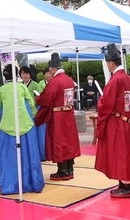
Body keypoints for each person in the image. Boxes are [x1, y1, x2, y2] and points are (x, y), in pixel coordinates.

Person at [94, 43, 130, 198]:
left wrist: (100, 103)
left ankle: (126, 186)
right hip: (128, 120)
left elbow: (106, 103)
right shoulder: (125, 78)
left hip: (118, 122)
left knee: (121, 153)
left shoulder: (115, 79)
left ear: (110, 63)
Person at [0, 64, 45, 194]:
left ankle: (9, 184)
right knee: (29, 154)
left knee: (9, 156)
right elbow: (32, 103)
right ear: (17, 74)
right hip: (25, 125)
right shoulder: (22, 87)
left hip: (7, 126)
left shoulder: (1, 89)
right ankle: (31, 181)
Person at [35, 52, 81, 180]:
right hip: (69, 114)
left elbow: (47, 97)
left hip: (58, 115)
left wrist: (37, 98)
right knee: (69, 142)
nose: (50, 73)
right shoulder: (69, 80)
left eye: (50, 70)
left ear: (54, 69)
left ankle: (63, 171)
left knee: (59, 142)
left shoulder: (55, 81)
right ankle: (70, 169)